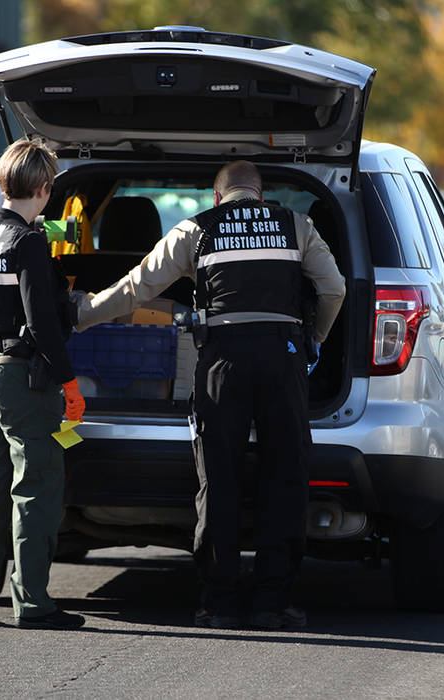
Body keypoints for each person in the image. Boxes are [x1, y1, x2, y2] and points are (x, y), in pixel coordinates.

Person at [74, 161, 345, 629]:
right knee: (285, 475)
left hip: (223, 360)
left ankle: (218, 602)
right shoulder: (295, 225)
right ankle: (272, 603)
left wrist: (82, 314)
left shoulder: (196, 229)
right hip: (282, 359)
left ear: (217, 198)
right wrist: (314, 338)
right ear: (260, 194)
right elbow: (335, 288)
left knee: (219, 478)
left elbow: (139, 287)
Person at [0, 137, 86, 630]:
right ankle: (34, 604)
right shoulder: (26, 242)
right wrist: (69, 382)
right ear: (45, 188)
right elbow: (43, 321)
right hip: (18, 377)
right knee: (36, 486)